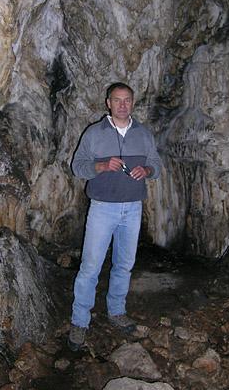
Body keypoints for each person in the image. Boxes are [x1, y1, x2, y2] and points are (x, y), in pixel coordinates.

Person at [68, 82, 161, 351]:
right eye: (117, 100)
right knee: (90, 266)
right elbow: (78, 167)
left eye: (127, 100)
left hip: (132, 208)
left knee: (124, 264)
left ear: (133, 103)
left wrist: (147, 170)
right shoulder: (94, 133)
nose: (122, 104)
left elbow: (157, 164)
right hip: (103, 207)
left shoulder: (143, 134)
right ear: (108, 102)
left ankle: (117, 311)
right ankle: (80, 321)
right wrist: (101, 165)